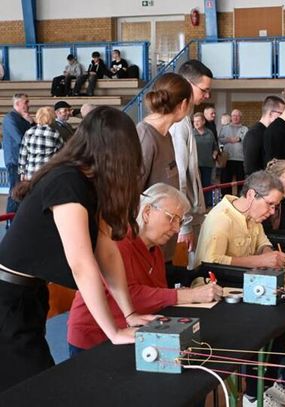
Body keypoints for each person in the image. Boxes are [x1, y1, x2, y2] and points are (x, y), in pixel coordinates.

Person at [0, 106, 155, 392]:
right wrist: (114, 331)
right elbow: (82, 264)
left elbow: (107, 253)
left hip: (28, 295)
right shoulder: (67, 182)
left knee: (29, 387)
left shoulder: (88, 184)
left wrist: (129, 314)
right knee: (34, 389)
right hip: (8, 298)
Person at [67, 183, 222, 354]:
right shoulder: (118, 241)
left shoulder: (155, 250)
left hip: (131, 331)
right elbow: (129, 294)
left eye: (180, 221)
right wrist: (189, 295)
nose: (177, 228)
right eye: (171, 218)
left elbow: (155, 294)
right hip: (95, 337)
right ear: (147, 212)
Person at [195, 171, 285, 407]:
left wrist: (269, 254)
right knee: (263, 325)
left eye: (275, 206)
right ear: (252, 195)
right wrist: (260, 261)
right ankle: (252, 395)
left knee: (283, 317)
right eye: (270, 204)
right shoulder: (221, 218)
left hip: (245, 286)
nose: (272, 212)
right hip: (216, 294)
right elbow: (211, 262)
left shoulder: (252, 215)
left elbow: (262, 242)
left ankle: (268, 384)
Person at [137, 72, 192, 264]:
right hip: (145, 249)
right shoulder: (145, 137)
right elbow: (131, 197)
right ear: (183, 105)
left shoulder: (166, 135)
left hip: (163, 247)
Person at [170, 60, 213, 261]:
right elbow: (179, 175)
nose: (207, 96)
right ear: (187, 84)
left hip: (189, 213)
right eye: (204, 90)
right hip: (182, 218)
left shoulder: (185, 120)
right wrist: (185, 224)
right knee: (185, 268)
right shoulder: (179, 124)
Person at [2, 93, 34, 216]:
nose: (28, 105)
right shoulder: (9, 119)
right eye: (26, 102)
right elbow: (20, 139)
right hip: (15, 160)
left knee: (21, 191)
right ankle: (10, 220)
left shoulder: (24, 118)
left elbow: (34, 134)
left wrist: (31, 123)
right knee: (15, 190)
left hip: (23, 160)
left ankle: (17, 219)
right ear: (17, 104)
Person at [18, 106, 64, 181]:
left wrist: (22, 172)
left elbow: (23, 154)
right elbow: (62, 153)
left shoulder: (29, 132)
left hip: (31, 173)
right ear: (51, 118)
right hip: (47, 173)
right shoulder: (54, 134)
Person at [243, 96, 285, 176]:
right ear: (271, 114)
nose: (283, 118)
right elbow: (250, 168)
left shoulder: (271, 132)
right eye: (281, 114)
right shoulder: (254, 134)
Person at [219, 109, 248, 195]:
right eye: (234, 115)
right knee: (225, 182)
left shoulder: (245, 129)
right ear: (231, 117)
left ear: (241, 117)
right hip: (227, 159)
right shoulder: (225, 128)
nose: (235, 117)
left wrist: (240, 139)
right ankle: (226, 198)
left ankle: (240, 198)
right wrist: (228, 139)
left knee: (241, 182)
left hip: (240, 159)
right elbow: (220, 139)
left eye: (237, 116)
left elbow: (248, 141)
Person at [193, 112, 218, 207]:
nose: (196, 123)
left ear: (203, 121)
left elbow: (215, 146)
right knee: (197, 185)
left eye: (198, 121)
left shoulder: (210, 133)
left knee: (207, 184)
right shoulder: (191, 133)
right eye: (194, 121)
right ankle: (198, 204)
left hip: (208, 163)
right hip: (195, 164)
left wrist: (215, 153)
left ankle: (207, 203)